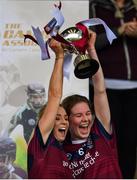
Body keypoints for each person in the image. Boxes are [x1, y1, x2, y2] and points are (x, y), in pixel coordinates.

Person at [61, 30, 122, 179]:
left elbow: (100, 90)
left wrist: (91, 49)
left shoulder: (99, 134)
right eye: (78, 115)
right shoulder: (61, 151)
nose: (85, 119)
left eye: (88, 113)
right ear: (67, 119)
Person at [89, 0, 137, 178]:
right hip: (105, 85)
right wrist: (119, 31)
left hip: (134, 87)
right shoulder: (94, 6)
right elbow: (90, 43)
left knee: (131, 141)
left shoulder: (133, 7)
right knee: (106, 141)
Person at [27, 38, 73, 179]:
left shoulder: (65, 153)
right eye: (57, 118)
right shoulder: (41, 144)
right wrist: (59, 57)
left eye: (66, 118)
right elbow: (54, 96)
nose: (64, 122)